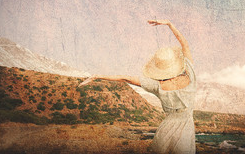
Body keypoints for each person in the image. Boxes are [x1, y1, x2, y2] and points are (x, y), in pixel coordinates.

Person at [79, 20, 196, 154]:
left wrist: (98, 76)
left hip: (166, 129)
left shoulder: (157, 85)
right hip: (186, 129)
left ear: (159, 68)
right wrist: (169, 24)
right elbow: (184, 44)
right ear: (175, 63)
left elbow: (126, 78)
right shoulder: (191, 76)